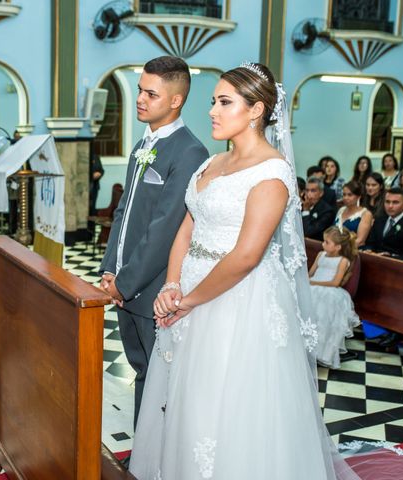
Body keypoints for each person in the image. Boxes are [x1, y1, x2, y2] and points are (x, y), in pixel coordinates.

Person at [130, 63, 360, 480]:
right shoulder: (211, 164)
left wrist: (188, 300)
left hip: (235, 303)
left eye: (224, 102)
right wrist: (172, 282)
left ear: (256, 110)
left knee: (222, 405)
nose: (212, 111)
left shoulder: (272, 174)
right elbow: (186, 229)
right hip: (187, 294)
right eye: (212, 102)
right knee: (185, 401)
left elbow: (246, 255)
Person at [98, 55, 209, 427]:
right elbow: (123, 212)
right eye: (140, 91)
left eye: (151, 93)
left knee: (157, 378)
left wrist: (124, 284)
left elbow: (164, 230)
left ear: (176, 100)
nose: (140, 99)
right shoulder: (142, 144)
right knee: (141, 369)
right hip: (125, 282)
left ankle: (151, 458)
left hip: (153, 288)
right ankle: (144, 452)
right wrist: (109, 269)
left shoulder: (190, 151)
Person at [309, 226, 360, 369]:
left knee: (323, 315)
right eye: (323, 241)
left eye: (327, 242)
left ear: (337, 247)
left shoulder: (343, 260)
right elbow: (311, 273)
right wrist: (306, 282)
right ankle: (306, 348)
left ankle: (323, 352)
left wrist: (313, 283)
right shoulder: (320, 255)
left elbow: (335, 282)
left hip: (330, 291)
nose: (322, 244)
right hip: (313, 287)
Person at [363, 187, 403, 259]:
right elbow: (370, 242)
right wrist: (368, 250)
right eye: (387, 202)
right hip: (373, 261)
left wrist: (387, 256)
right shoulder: (379, 219)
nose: (390, 206)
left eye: (395, 202)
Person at [335, 181, 373, 246]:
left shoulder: (365, 214)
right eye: (344, 194)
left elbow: (360, 241)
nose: (346, 198)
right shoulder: (341, 210)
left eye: (350, 195)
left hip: (354, 251)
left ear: (358, 197)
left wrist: (340, 249)